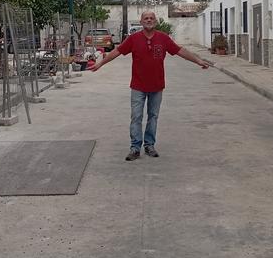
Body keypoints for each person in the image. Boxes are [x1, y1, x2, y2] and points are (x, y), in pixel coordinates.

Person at [91, 11, 213, 161]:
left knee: (153, 117)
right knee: (136, 116)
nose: (149, 20)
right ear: (141, 22)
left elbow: (180, 51)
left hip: (157, 86)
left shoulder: (163, 38)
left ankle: (149, 145)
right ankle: (135, 148)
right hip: (138, 86)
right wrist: (101, 64)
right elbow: (117, 51)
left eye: (151, 18)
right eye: (146, 18)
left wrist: (198, 60)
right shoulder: (133, 39)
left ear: (156, 21)